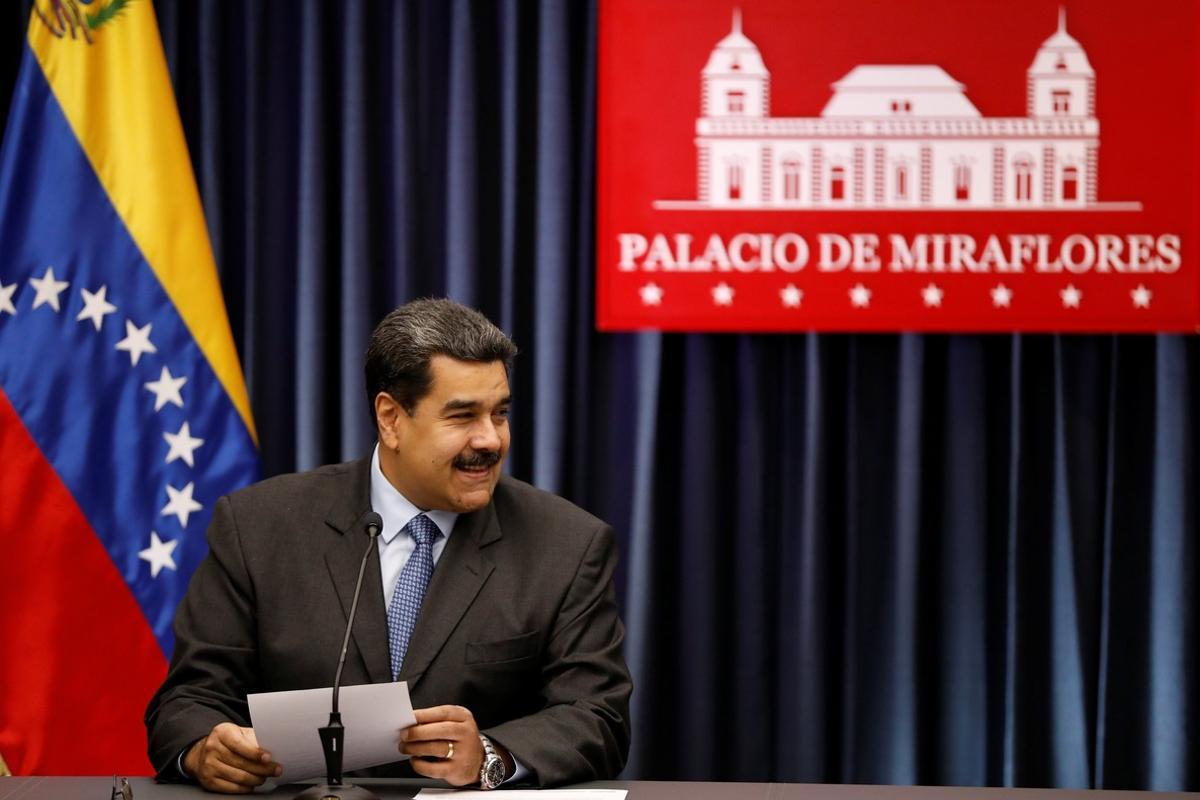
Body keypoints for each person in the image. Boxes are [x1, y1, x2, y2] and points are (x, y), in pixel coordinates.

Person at [145, 298, 632, 793]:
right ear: (391, 418)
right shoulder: (258, 526)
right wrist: (206, 749)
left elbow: (597, 716)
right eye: (463, 415)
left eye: (500, 413)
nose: (490, 439)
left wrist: (491, 754)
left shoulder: (567, 544)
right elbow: (188, 699)